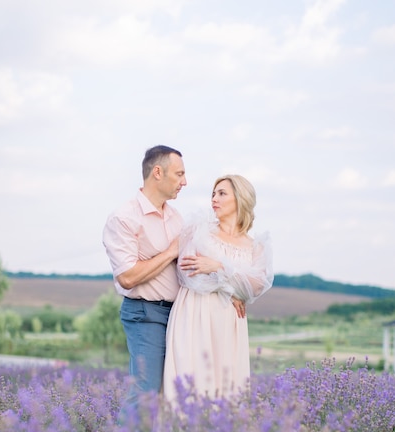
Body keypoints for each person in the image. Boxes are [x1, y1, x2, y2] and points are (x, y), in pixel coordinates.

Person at [163, 174, 273, 400]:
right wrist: (231, 288)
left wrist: (218, 267)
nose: (214, 199)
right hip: (194, 313)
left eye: (222, 193)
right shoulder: (199, 231)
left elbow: (254, 287)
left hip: (229, 323)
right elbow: (189, 275)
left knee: (225, 388)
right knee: (189, 380)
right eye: (213, 193)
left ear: (240, 199)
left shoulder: (255, 247)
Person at [102, 145, 187, 412]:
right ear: (157, 172)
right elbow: (127, 277)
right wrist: (171, 252)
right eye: (179, 174)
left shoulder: (176, 218)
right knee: (145, 392)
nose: (185, 182)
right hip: (146, 313)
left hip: (178, 314)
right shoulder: (124, 218)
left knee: (174, 393)